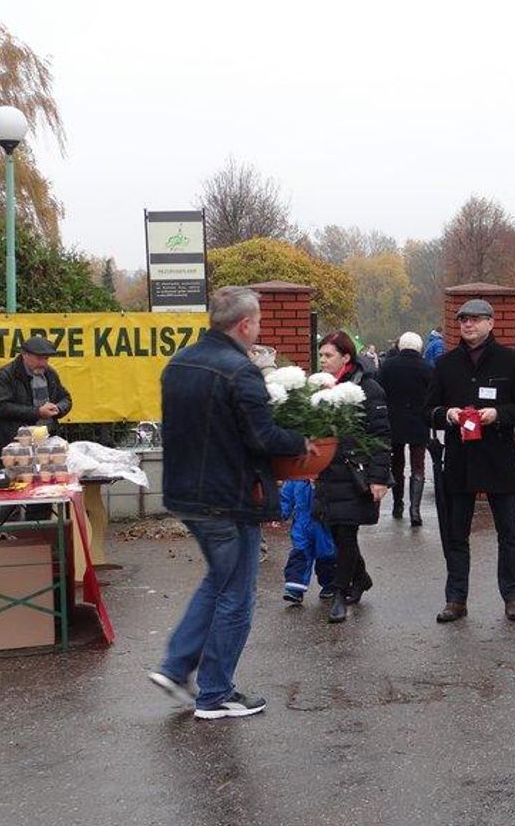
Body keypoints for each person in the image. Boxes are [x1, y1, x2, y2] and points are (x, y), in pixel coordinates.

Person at [150, 285, 310, 720]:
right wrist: (302, 441)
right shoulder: (240, 372)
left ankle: (176, 666)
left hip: (187, 495)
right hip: (229, 498)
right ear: (245, 324)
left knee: (220, 581)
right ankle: (215, 694)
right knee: (236, 594)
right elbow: (263, 437)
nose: (258, 329)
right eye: (257, 322)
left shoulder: (179, 362)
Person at [423, 299, 515, 623]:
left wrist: (498, 414)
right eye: (462, 321)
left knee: (509, 533)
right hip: (460, 460)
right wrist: (447, 414)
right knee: (456, 534)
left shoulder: (511, 362)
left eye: (474, 320)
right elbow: (426, 410)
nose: (467, 325)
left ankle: (513, 597)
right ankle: (455, 599)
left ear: (490, 323)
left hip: (498, 457)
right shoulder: (446, 364)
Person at [313, 331, 392, 624]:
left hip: (354, 473)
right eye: (320, 355)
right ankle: (361, 578)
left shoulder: (368, 388)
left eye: (328, 355)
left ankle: (339, 593)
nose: (322, 360)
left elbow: (381, 435)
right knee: (336, 531)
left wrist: (379, 477)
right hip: (326, 473)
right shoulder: (318, 386)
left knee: (346, 533)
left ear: (346, 357)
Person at [0, 335, 72, 471]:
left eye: (46, 358)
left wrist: (58, 408)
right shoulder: (4, 375)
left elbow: (66, 398)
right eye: (39, 358)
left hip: (45, 445)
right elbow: (2, 407)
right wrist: (37, 412)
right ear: (24, 355)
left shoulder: (50, 373)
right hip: (14, 448)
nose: (44, 363)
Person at [378, 331, 432, 526]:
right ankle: (415, 510)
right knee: (418, 464)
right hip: (419, 422)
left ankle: (397, 504)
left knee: (397, 464)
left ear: (400, 346)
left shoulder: (388, 366)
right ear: (419, 347)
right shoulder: (426, 368)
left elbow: (379, 391)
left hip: (394, 422)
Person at [280, 479, 337, 604]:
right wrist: (280, 513)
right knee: (300, 552)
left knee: (327, 554)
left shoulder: (328, 475)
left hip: (324, 522)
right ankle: (295, 588)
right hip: (302, 521)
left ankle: (330, 584)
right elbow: (286, 497)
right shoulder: (296, 477)